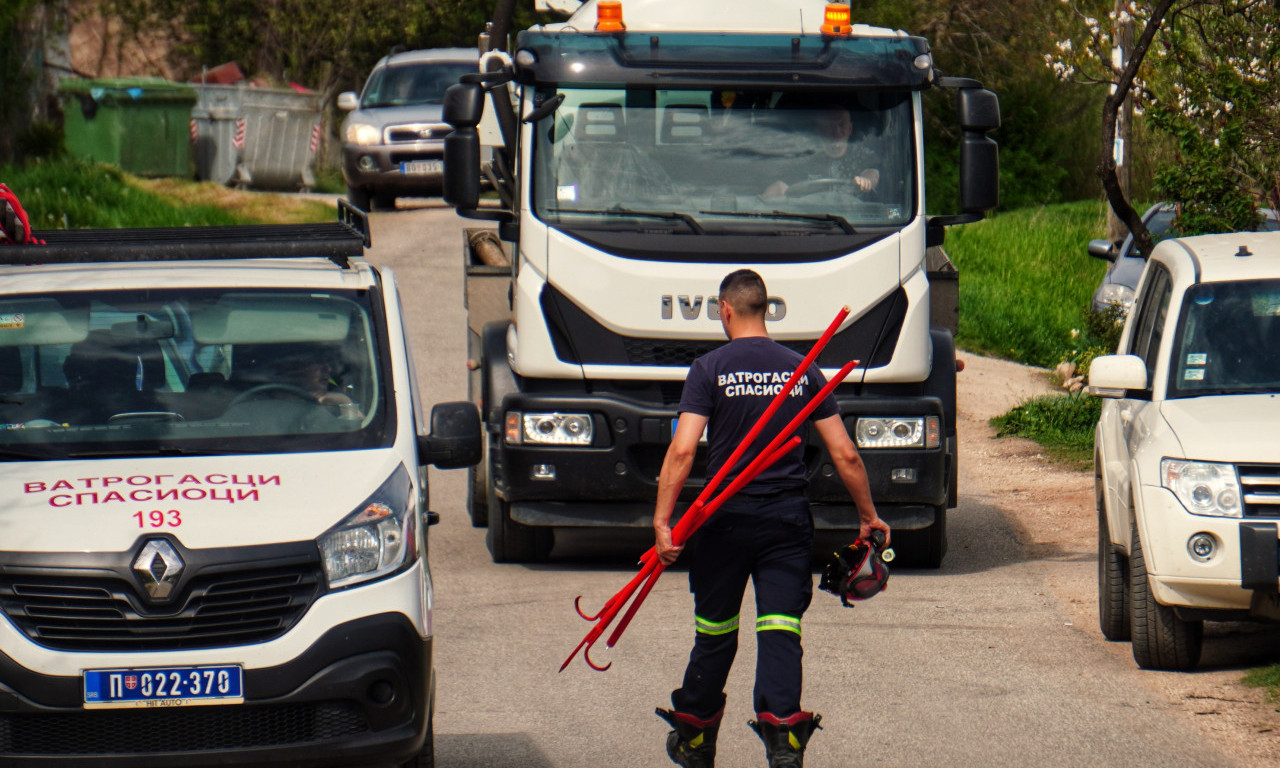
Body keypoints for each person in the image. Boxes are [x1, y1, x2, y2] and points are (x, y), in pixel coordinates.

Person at [653, 269, 889, 768]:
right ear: (767, 310)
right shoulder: (800, 368)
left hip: (723, 518)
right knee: (780, 629)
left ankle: (696, 736)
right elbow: (844, 453)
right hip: (785, 521)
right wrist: (867, 516)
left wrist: (663, 522)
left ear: (725, 310)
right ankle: (784, 738)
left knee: (714, 630)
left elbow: (681, 451)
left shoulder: (710, 367)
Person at [762, 105, 880, 200]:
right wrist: (763, 203)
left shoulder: (863, 155)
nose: (836, 131)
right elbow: (781, 186)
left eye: (842, 125)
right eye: (830, 125)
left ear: (850, 129)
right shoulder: (805, 156)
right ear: (818, 130)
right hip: (809, 221)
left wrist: (867, 180)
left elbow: (872, 174)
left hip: (856, 222)